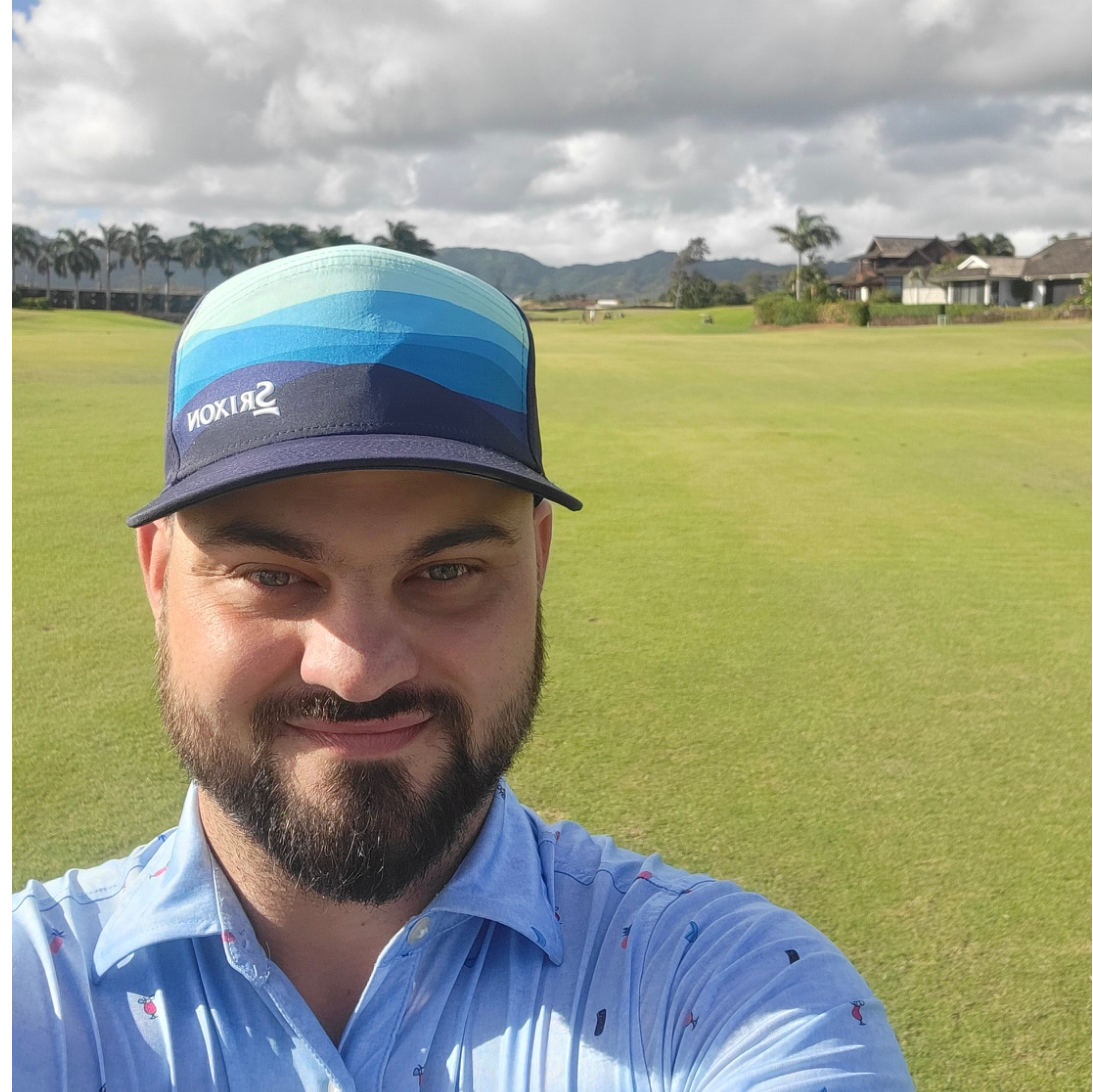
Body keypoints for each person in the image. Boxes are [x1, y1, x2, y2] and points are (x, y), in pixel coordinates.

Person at [12, 246, 914, 1090]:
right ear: (159, 576)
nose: (357, 671)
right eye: (271, 576)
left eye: (445, 573)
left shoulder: (742, 995)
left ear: (537, 564)